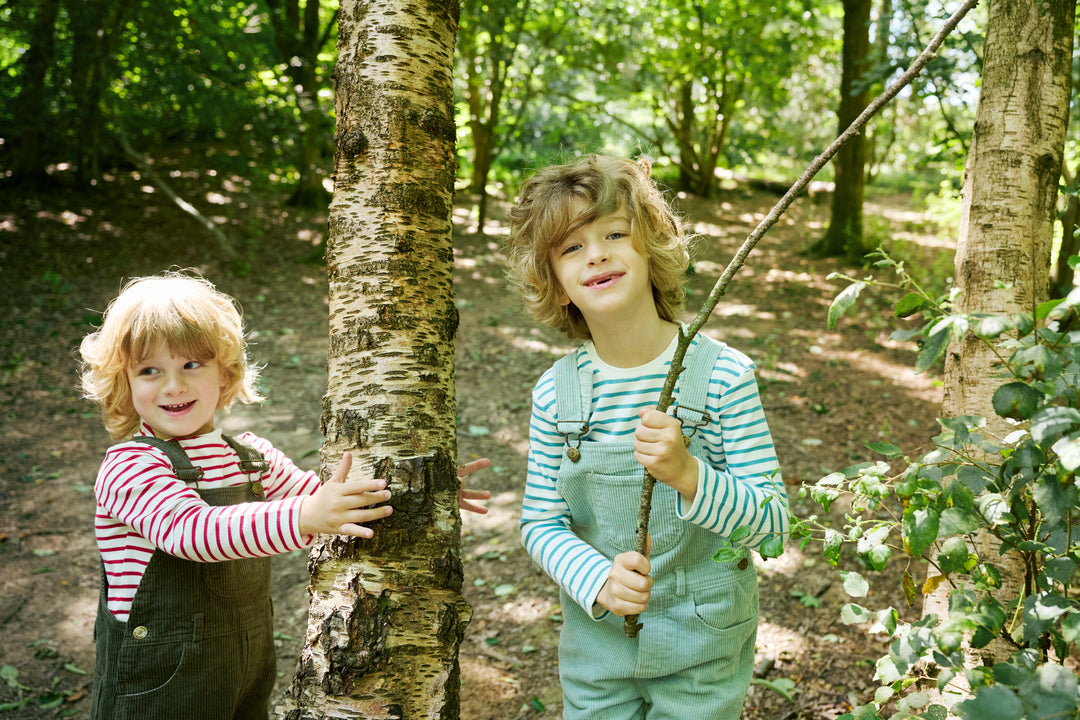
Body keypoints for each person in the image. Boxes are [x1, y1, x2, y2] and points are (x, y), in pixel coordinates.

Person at [78, 270, 490, 719]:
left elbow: (333, 505)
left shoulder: (252, 456)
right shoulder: (130, 464)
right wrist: (304, 517)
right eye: (150, 370)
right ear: (124, 382)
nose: (173, 385)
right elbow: (191, 532)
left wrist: (425, 493)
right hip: (156, 688)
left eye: (191, 364)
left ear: (224, 372)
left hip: (245, 671)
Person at [506, 155, 789, 720]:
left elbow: (774, 524)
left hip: (703, 653)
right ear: (558, 286)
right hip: (599, 652)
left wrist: (690, 475)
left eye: (614, 233)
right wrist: (597, 580)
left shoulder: (723, 377)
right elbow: (540, 522)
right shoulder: (555, 393)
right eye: (571, 247)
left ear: (651, 250)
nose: (597, 254)